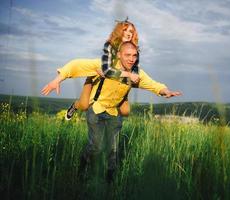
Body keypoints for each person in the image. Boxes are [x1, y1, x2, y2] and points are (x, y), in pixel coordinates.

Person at [41, 41, 182, 183]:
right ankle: (82, 168)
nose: (131, 59)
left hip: (114, 112)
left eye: (134, 55)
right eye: (127, 55)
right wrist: (57, 80)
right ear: (119, 55)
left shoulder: (136, 73)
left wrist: (165, 91)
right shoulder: (104, 66)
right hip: (96, 108)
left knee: (112, 148)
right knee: (96, 145)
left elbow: (153, 84)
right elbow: (76, 65)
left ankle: (110, 181)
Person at [65, 18, 140, 120]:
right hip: (97, 76)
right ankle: (74, 106)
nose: (128, 33)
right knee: (84, 105)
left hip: (120, 83)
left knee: (125, 111)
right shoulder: (110, 45)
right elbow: (107, 70)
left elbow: (134, 72)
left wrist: (129, 78)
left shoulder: (135, 51)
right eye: (125, 30)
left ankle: (110, 110)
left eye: (131, 31)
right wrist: (109, 73)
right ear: (119, 31)